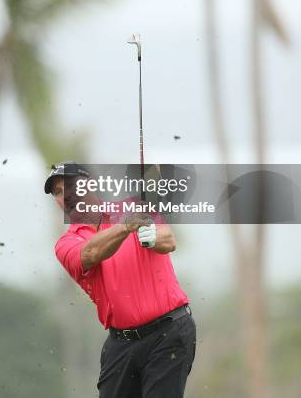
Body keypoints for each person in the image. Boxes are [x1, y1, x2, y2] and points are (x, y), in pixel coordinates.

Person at [45, 161, 196, 398]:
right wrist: (126, 227)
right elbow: (90, 254)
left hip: (169, 332)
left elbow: (168, 241)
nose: (66, 195)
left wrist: (150, 237)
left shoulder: (134, 207)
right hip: (121, 343)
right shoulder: (66, 244)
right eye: (58, 192)